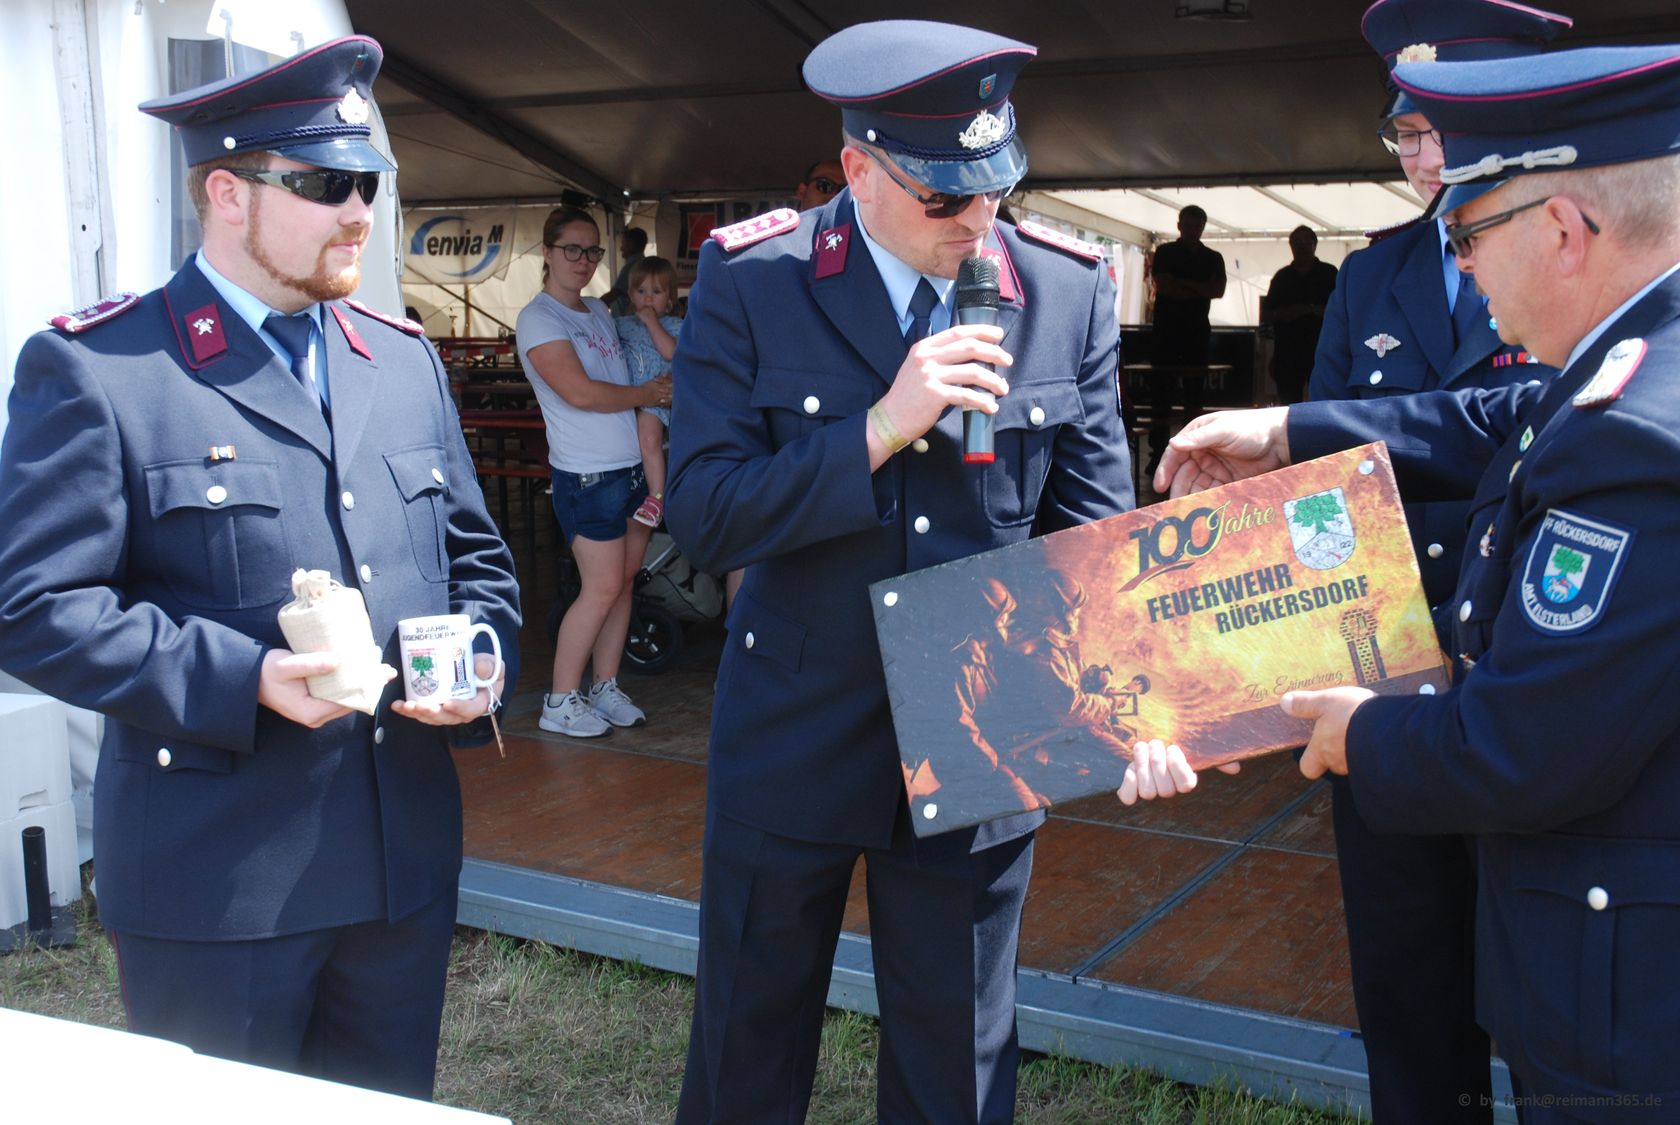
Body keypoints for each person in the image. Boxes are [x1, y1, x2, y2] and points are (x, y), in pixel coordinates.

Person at [664, 21, 1212, 1123]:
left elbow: (1092, 537)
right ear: (859, 169)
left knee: (956, 1059)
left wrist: (1141, 704)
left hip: (983, 726)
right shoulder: (757, 277)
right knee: (746, 1043)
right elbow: (707, 515)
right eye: (944, 196)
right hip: (798, 718)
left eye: (996, 188)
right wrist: (877, 428)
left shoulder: (1064, 289)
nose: (977, 220)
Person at [1156, 40, 1680, 1121]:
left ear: (1564, 231)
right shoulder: (1629, 367)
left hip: (1631, 1010)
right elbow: (1492, 413)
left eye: (1470, 233)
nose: (1461, 264)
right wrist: (1284, 430)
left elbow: (1524, 749)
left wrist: (1360, 729)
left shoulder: (1636, 437)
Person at [0, 37, 521, 1099]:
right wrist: (244, 680)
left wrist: (478, 658)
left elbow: (478, 562)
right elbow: (34, 606)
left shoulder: (399, 359)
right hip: (219, 880)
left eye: (366, 183)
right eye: (324, 185)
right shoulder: (106, 367)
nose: (358, 212)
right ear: (227, 194)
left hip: (399, 864)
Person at [1306, 4, 1573, 1120]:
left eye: (1435, 131)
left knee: (1557, 980)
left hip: (1535, 661)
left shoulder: (1581, 254)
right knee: (1407, 969)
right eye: (1403, 133)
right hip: (1389, 656)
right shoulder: (1373, 274)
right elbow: (1320, 475)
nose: (1417, 158)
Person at [517, 207, 671, 738]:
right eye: (572, 250)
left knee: (622, 585)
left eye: (592, 251)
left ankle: (604, 686)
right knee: (601, 588)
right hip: (587, 476)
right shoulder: (539, 318)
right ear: (547, 252)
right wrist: (648, 394)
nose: (583, 261)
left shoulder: (598, 311)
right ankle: (560, 699)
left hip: (629, 469)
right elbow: (579, 393)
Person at [1144, 204, 1227, 474]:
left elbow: (1217, 290)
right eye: (1188, 226)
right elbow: (1166, 286)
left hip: (1196, 335)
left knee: (1194, 399)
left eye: (1197, 226)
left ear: (1203, 227)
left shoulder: (1213, 257)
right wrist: (1199, 288)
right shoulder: (1165, 252)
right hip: (1166, 335)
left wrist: (1183, 284)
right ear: (1179, 226)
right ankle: (1158, 455)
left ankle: (1193, 454)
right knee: (1161, 400)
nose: (1192, 231)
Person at [615, 255, 683, 527]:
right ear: (631, 295)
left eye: (656, 292)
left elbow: (671, 353)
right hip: (624, 395)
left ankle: (656, 498)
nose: (648, 298)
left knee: (649, 438)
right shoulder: (621, 324)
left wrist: (652, 323)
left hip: (655, 398)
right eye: (641, 291)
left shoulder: (674, 326)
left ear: (670, 299)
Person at [1260, 226, 1337, 404]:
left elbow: (1342, 311)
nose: (1301, 246)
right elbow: (1266, 314)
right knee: (1288, 403)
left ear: (1315, 244)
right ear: (1291, 246)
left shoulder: (1329, 273)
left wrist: (1312, 310)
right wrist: (1285, 313)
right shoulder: (1282, 277)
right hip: (1288, 352)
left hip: (1321, 350)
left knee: (1324, 401)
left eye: (1306, 242)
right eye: (1297, 242)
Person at [605, 225, 650, 315]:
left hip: (626, 317)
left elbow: (614, 294)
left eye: (623, 243)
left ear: (631, 244)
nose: (621, 248)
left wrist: (594, 307)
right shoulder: (645, 264)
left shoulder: (632, 266)